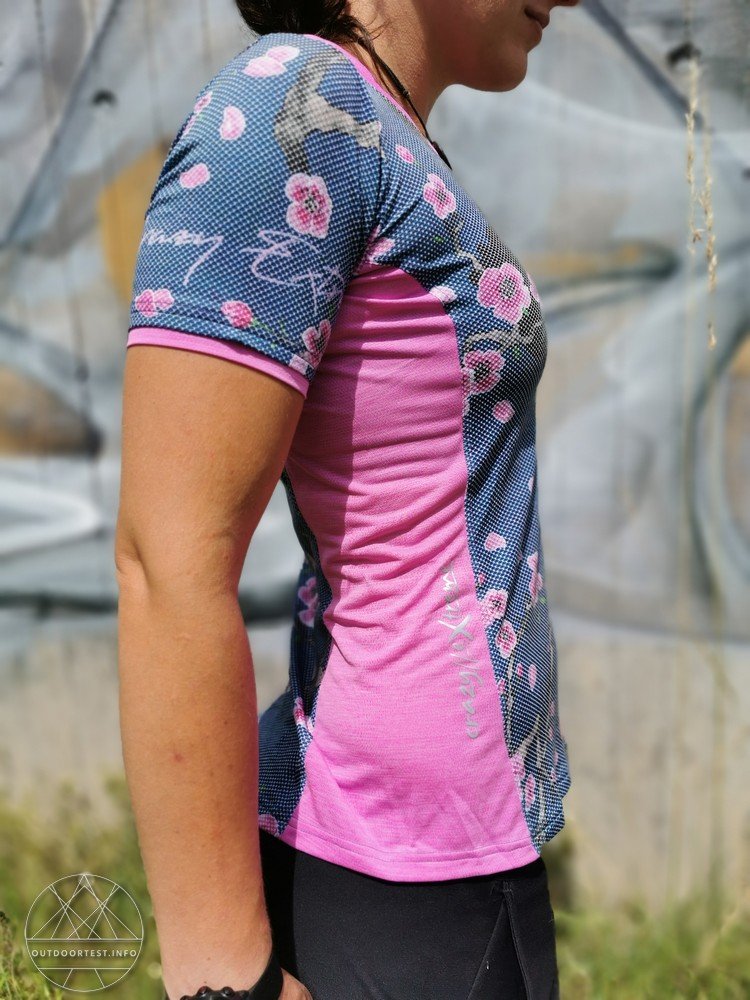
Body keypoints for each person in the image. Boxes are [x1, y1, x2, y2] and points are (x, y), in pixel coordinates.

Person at [115, 1, 581, 997]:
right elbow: (167, 559)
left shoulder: (372, 122)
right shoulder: (291, 105)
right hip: (389, 872)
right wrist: (228, 980)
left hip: (461, 849)